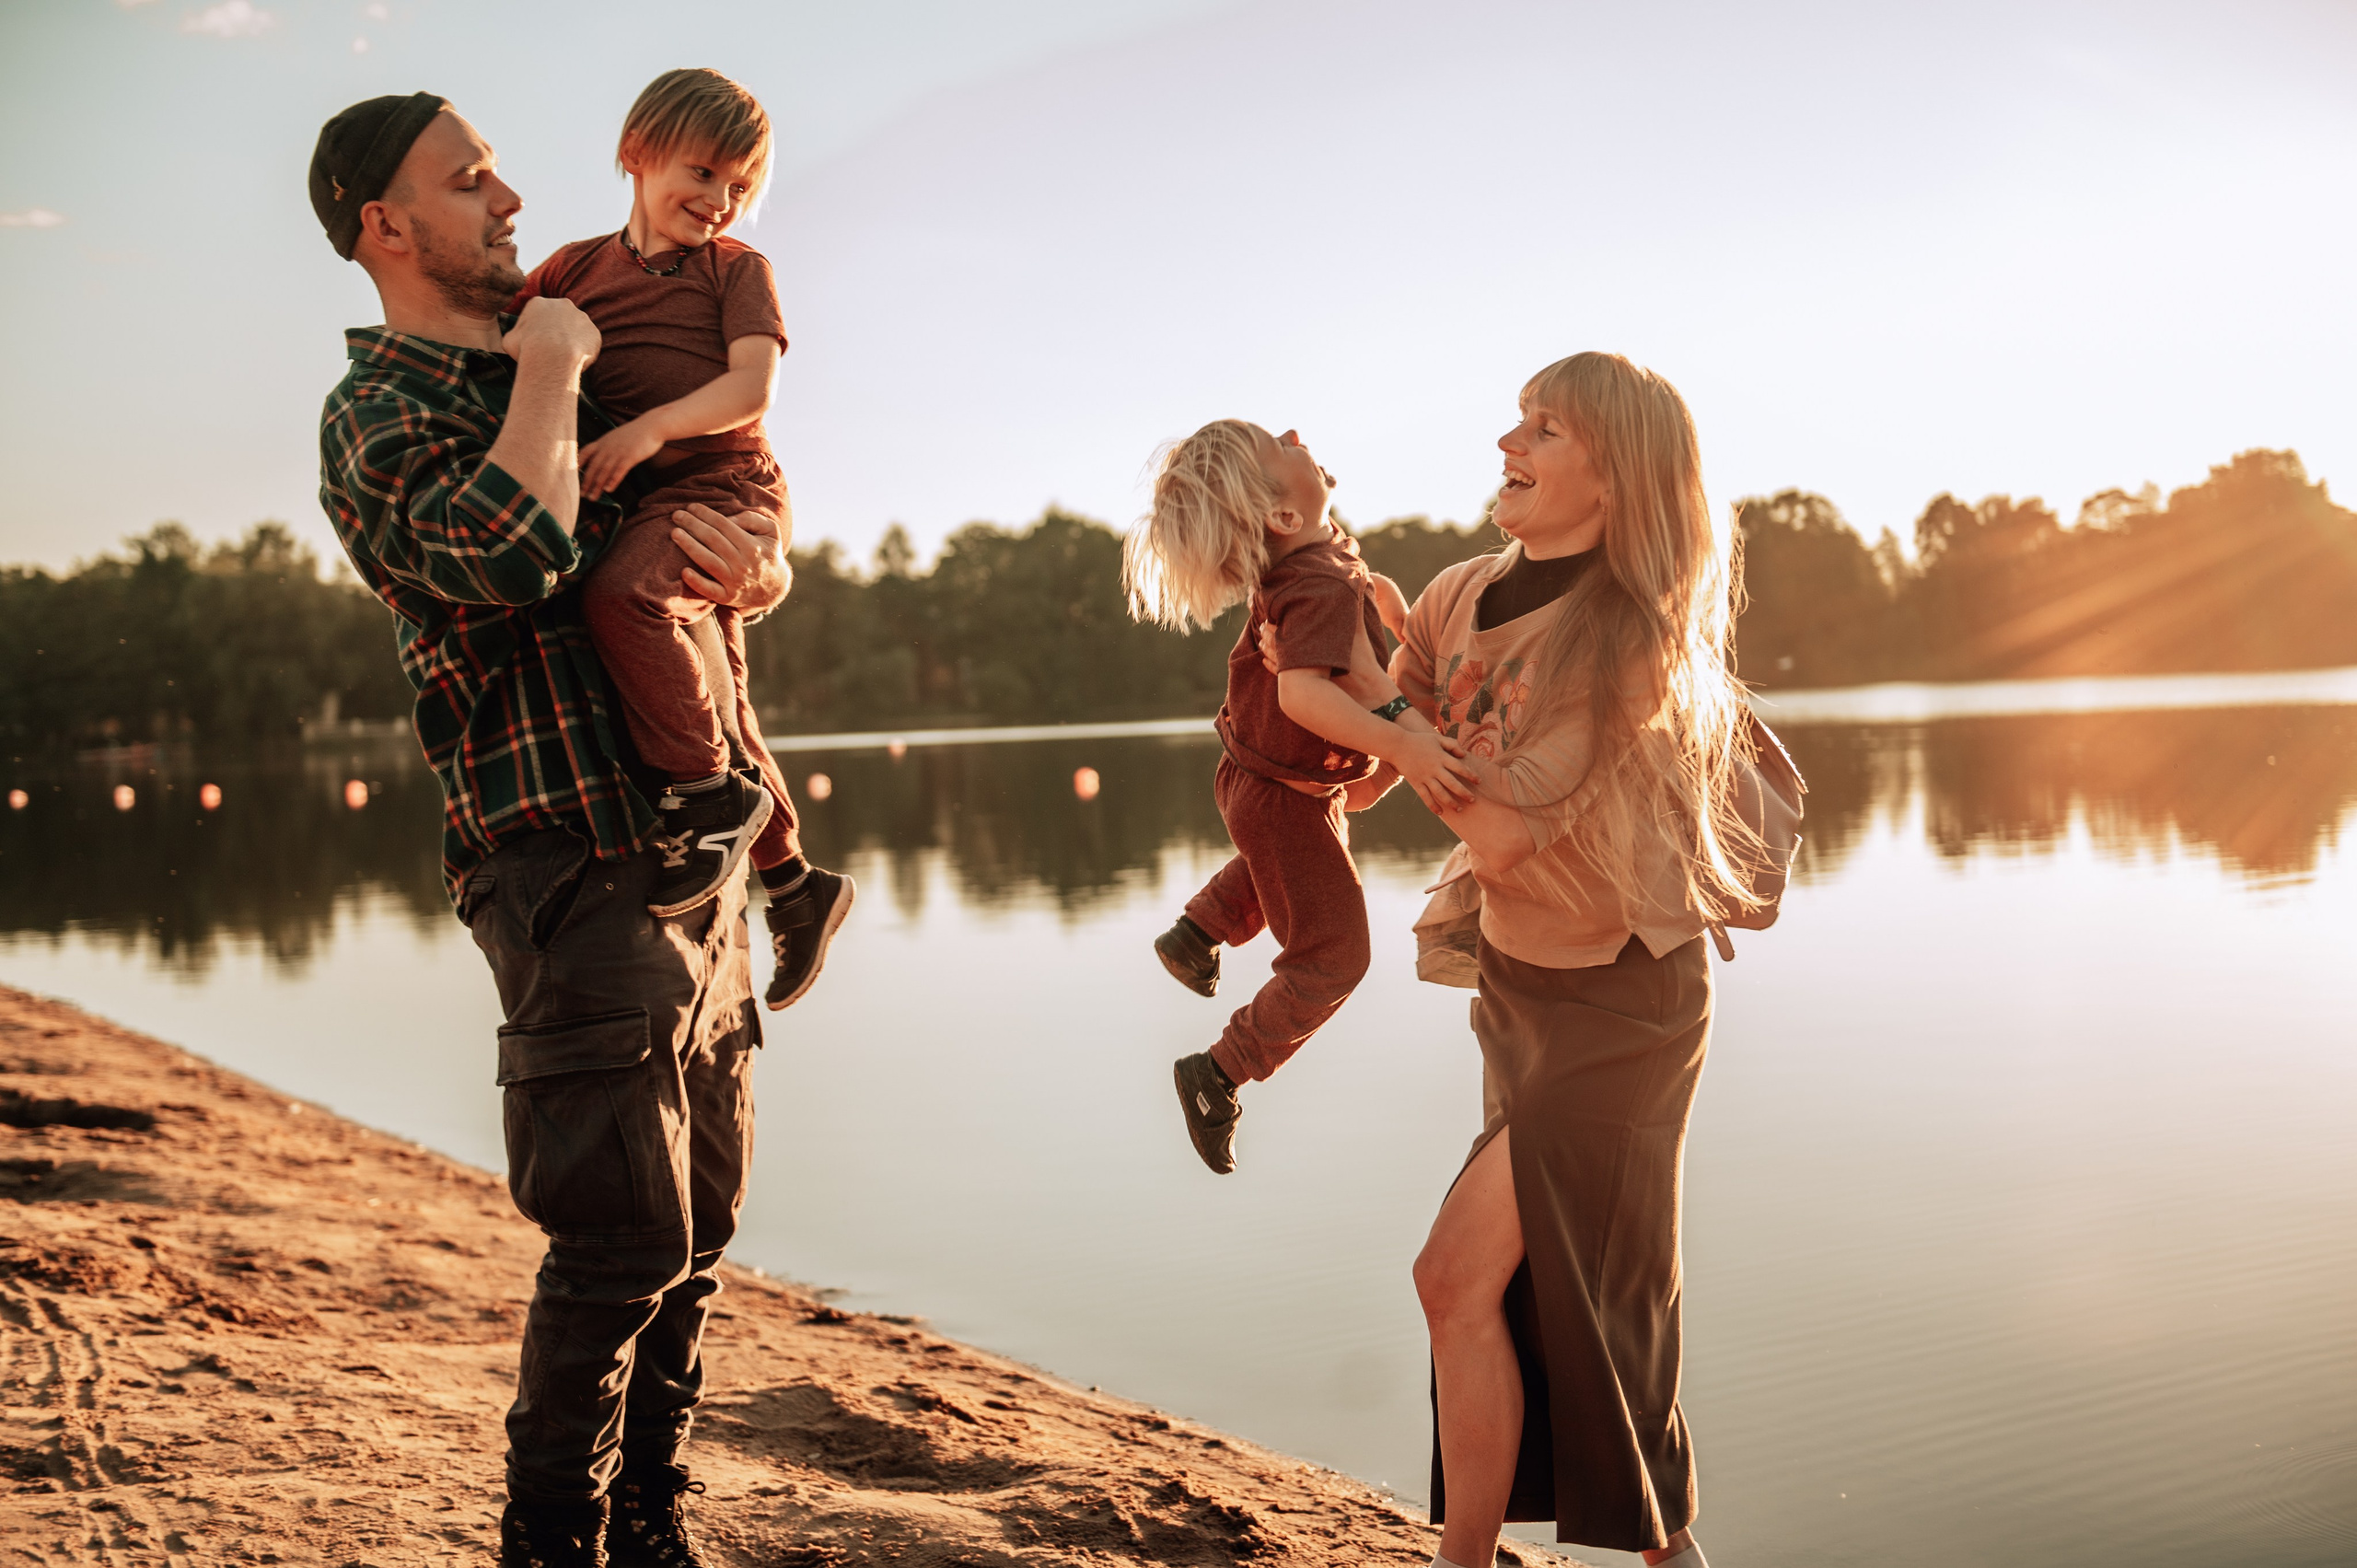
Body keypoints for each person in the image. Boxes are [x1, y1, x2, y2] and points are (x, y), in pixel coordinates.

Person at [310, 93, 782, 1566]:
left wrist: (746, 568)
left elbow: (716, 520)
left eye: (503, 172)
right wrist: (559, 367)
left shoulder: (577, 321)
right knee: (619, 1237)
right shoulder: (382, 413)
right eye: (469, 182)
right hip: (562, 868)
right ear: (387, 227)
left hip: (689, 857)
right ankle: (547, 1542)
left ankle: (652, 1526)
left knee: (699, 1233)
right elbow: (512, 551)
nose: (510, 198)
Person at [1306, 354, 1763, 1568]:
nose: (1509, 437)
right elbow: (1372, 746)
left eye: (1546, 427)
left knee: (1491, 1284)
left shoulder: (1625, 643)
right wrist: (1304, 645)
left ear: (1612, 479)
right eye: (1518, 417)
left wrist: (1395, 731)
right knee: (1529, 1296)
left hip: (1626, 998)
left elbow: (1502, 833)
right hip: (1520, 987)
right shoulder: (1457, 593)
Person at [515, 66, 853, 997]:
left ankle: (706, 799)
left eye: (740, 186)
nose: (718, 200)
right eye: (702, 173)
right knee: (722, 704)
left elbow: (753, 388)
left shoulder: (737, 271)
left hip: (729, 489)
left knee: (623, 595)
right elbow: (512, 344)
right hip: (646, 504)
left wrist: (649, 428)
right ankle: (793, 882)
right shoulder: (570, 273)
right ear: (637, 155)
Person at [1121, 420, 1476, 1173]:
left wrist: (1385, 609)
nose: (1292, 432)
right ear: (1283, 516)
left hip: (1275, 786)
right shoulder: (1312, 580)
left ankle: (1198, 931)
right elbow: (1305, 697)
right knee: (1336, 955)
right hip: (1283, 790)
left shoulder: (1318, 561)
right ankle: (1219, 1072)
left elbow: (1354, 604)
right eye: (1277, 446)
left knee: (1317, 833)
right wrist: (1408, 742)